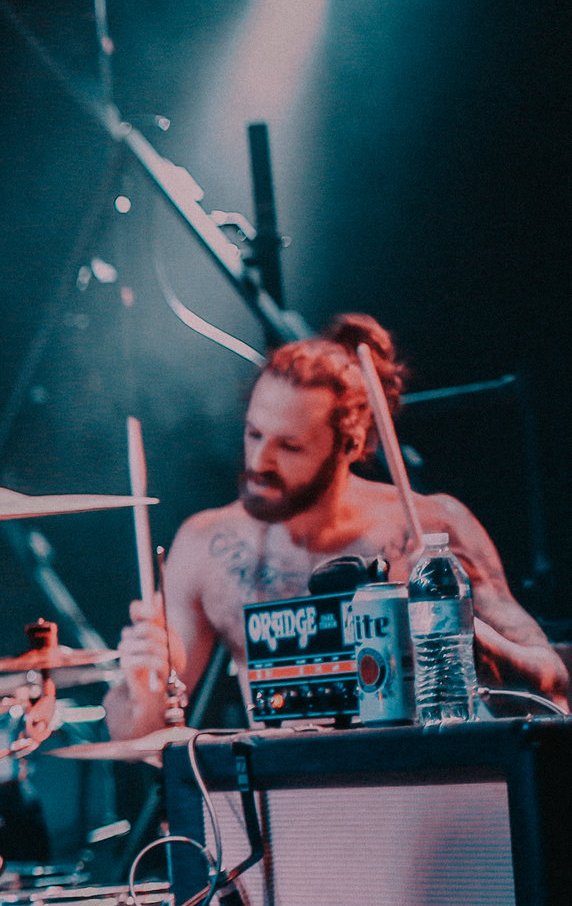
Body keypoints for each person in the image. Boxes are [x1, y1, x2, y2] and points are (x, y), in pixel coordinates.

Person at [110, 313, 566, 739]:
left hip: (421, 780)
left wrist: (470, 642)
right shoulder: (205, 544)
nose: (260, 461)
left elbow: (553, 685)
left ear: (350, 444)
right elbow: (138, 737)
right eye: (254, 434)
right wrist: (145, 681)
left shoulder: (431, 527)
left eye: (289, 447)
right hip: (284, 790)